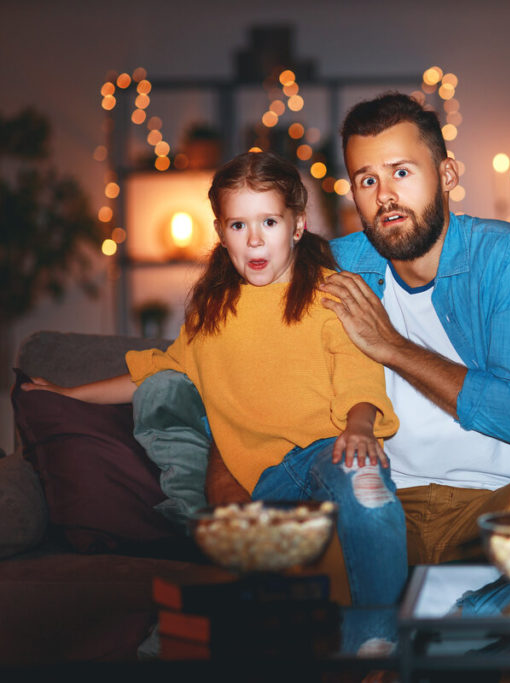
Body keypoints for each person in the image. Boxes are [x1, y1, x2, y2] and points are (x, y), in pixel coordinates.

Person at [21, 151, 403, 605]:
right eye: (239, 226)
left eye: (270, 223)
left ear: (297, 226)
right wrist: (68, 395)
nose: (255, 241)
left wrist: (359, 428)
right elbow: (158, 369)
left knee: (364, 482)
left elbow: (361, 375)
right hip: (267, 482)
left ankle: (378, 642)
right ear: (222, 234)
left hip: (330, 454)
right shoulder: (211, 313)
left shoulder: (329, 295)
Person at [316, 92, 510, 574]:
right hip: (381, 504)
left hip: (494, 502)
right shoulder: (337, 267)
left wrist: (392, 348)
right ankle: (401, 637)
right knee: (313, 542)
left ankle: (443, 629)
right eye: (366, 180)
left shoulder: (509, 257)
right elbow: (241, 347)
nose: (384, 196)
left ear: (448, 175)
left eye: (401, 171)